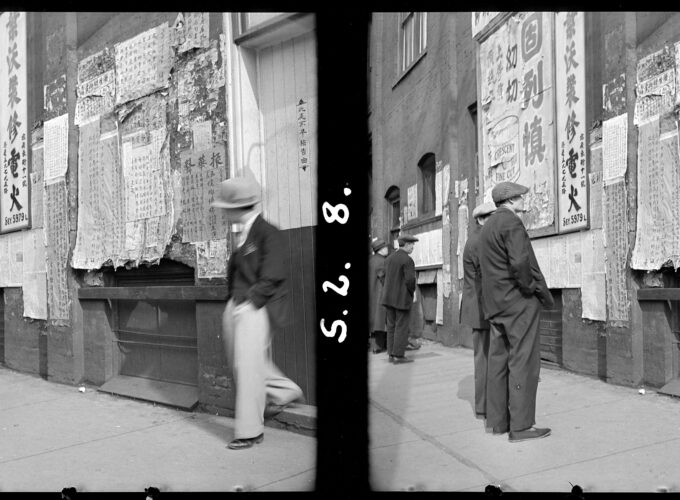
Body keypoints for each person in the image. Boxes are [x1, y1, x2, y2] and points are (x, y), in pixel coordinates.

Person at [211, 177, 304, 450]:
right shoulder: (244, 234)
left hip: (256, 306)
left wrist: (250, 303)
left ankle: (250, 431)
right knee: (241, 363)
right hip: (237, 305)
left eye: (226, 207)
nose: (224, 212)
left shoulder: (267, 232)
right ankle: (285, 391)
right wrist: (233, 304)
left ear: (239, 207)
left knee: (248, 367)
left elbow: (273, 275)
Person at [478, 181, 554, 443]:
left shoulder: (487, 226)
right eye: (521, 196)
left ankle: (499, 422)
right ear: (510, 201)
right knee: (523, 361)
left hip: (496, 304)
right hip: (517, 303)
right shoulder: (511, 223)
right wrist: (529, 288)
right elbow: (520, 262)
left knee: (498, 361)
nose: (523, 199)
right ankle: (521, 427)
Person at [460, 201, 496, 420]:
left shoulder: (475, 239)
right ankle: (485, 407)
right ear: (481, 219)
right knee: (485, 359)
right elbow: (489, 275)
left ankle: (485, 406)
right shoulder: (480, 240)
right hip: (482, 307)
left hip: (477, 306)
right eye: (491, 218)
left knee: (484, 357)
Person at [381, 234, 418, 364]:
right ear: (406, 245)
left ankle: (391, 354)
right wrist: (411, 292)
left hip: (388, 298)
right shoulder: (408, 260)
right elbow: (410, 280)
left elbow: (382, 276)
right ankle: (399, 355)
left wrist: (388, 289)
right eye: (412, 244)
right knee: (401, 326)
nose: (413, 247)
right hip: (401, 298)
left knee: (391, 326)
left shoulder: (389, 258)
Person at [369, 238, 389, 354]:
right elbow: (384, 279)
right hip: (379, 295)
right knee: (381, 321)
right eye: (385, 247)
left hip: (372, 295)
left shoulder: (371, 260)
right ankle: (379, 346)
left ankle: (375, 346)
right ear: (380, 250)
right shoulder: (382, 261)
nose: (387, 249)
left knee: (374, 321)